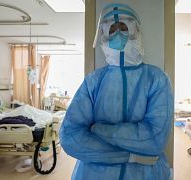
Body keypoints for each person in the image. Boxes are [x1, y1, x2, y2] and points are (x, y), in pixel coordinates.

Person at [60, 3, 173, 180]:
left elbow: (154, 139)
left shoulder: (157, 78)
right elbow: (70, 137)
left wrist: (98, 129)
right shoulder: (93, 81)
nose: (119, 34)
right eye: (112, 29)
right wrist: (131, 156)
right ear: (104, 35)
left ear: (136, 30)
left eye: (124, 27)